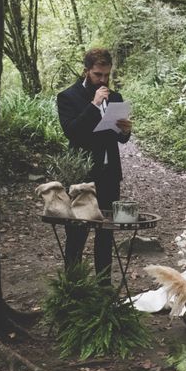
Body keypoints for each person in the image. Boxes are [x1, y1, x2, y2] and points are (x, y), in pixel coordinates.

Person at [57, 48, 132, 283]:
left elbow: (119, 138)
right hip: (82, 176)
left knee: (105, 234)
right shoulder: (68, 97)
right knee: (77, 233)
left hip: (109, 174)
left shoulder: (115, 97)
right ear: (86, 71)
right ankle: (73, 287)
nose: (103, 80)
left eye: (107, 75)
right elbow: (72, 132)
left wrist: (126, 131)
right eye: (98, 75)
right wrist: (93, 105)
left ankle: (103, 288)